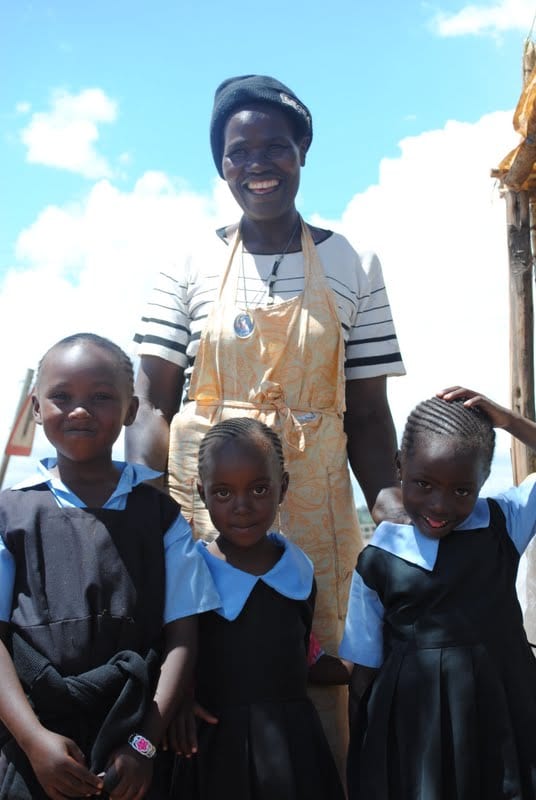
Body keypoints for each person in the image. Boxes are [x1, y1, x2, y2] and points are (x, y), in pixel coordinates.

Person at [128, 73, 405, 763]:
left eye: (275, 147)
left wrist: (398, 519)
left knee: (318, 673)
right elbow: (155, 403)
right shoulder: (187, 262)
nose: (258, 164)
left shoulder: (353, 262)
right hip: (205, 509)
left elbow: (368, 416)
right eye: (238, 151)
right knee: (206, 670)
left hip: (316, 514)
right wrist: (146, 517)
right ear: (221, 165)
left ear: (302, 153)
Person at [0, 333, 221, 800]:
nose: (80, 410)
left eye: (101, 397)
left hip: (133, 740)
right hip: (33, 742)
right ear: (36, 408)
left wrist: (144, 743)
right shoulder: (10, 514)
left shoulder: (161, 517)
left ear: (131, 409)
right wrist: (32, 740)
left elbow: (182, 637)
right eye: (62, 397)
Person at [340, 388, 536, 800]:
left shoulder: (503, 524)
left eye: (462, 490)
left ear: (483, 480)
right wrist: (365, 746)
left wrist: (511, 422)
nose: (439, 504)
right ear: (398, 467)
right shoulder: (378, 556)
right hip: (415, 729)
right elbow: (365, 667)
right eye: (424, 484)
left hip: (502, 714)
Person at [168, 417, 345, 799]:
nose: (243, 506)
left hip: (293, 746)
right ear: (202, 492)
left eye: (260, 489)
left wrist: (363, 666)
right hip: (217, 748)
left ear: (284, 487)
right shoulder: (192, 573)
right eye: (223, 493)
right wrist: (177, 699)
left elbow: (304, 653)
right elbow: (174, 655)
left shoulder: (297, 568)